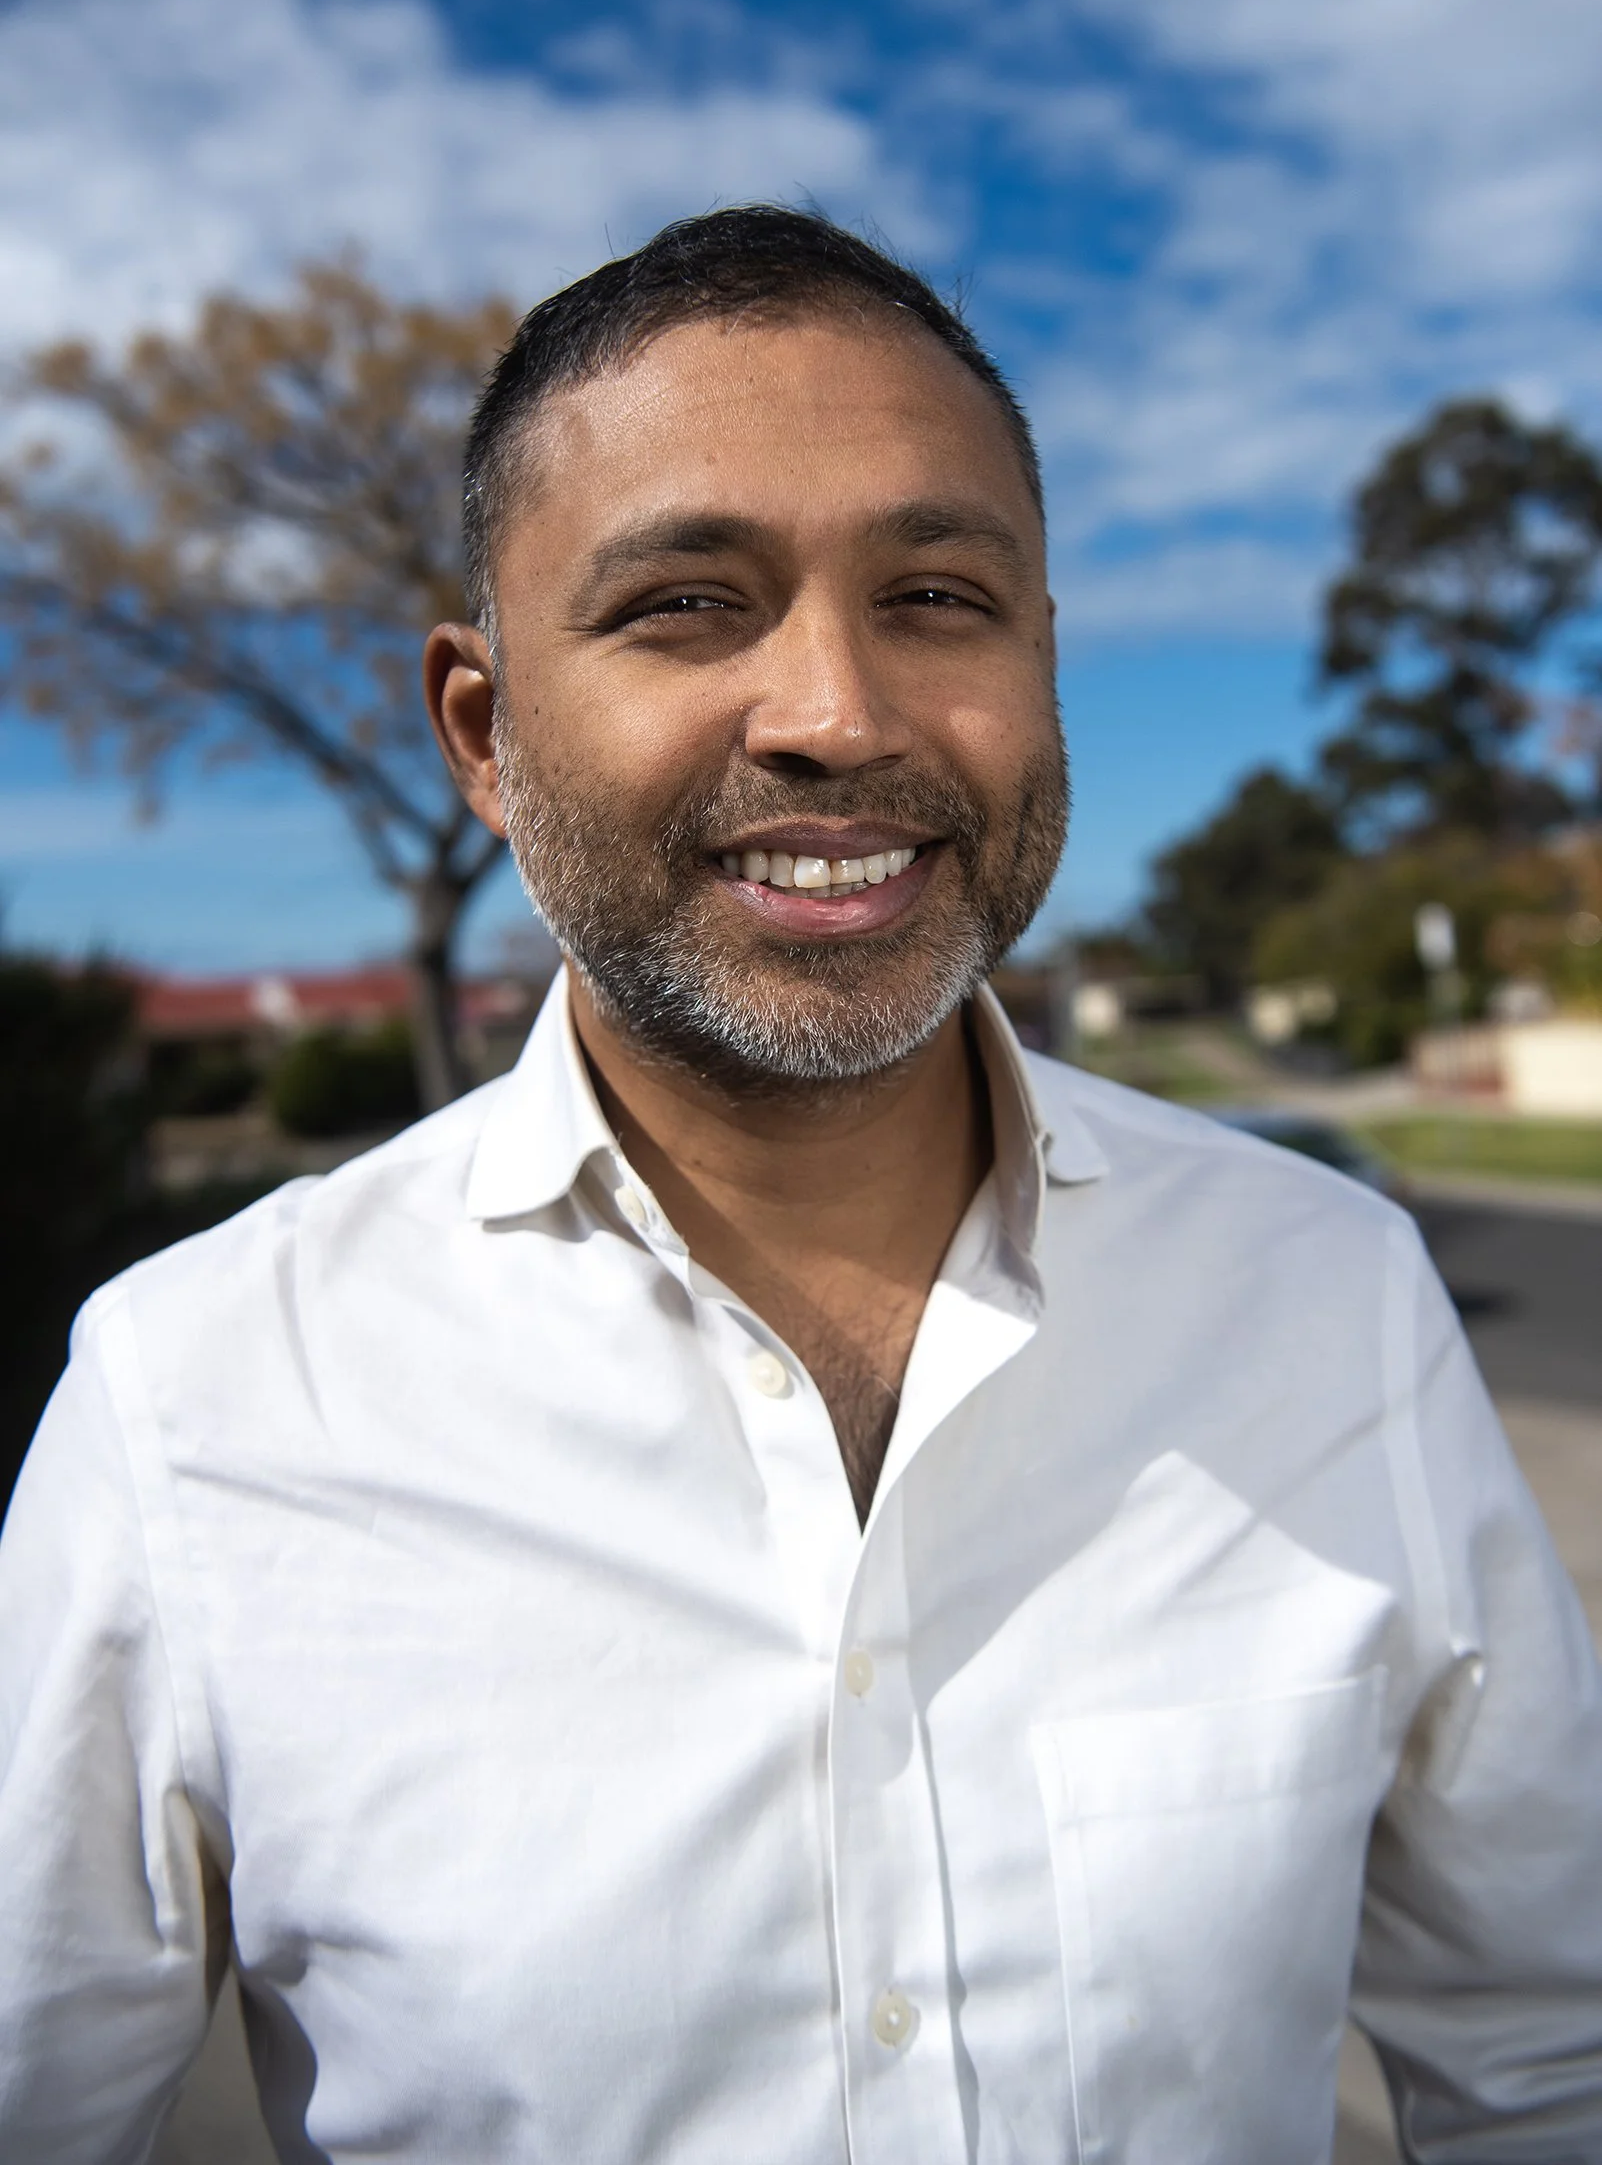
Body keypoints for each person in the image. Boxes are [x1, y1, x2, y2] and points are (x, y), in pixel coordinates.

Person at [1, 206, 1598, 2165]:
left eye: (939, 594)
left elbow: (1552, 2062)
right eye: (686, 602)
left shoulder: (1327, 1293)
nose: (839, 712)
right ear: (485, 737)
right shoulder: (198, 1402)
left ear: (1042, 660)